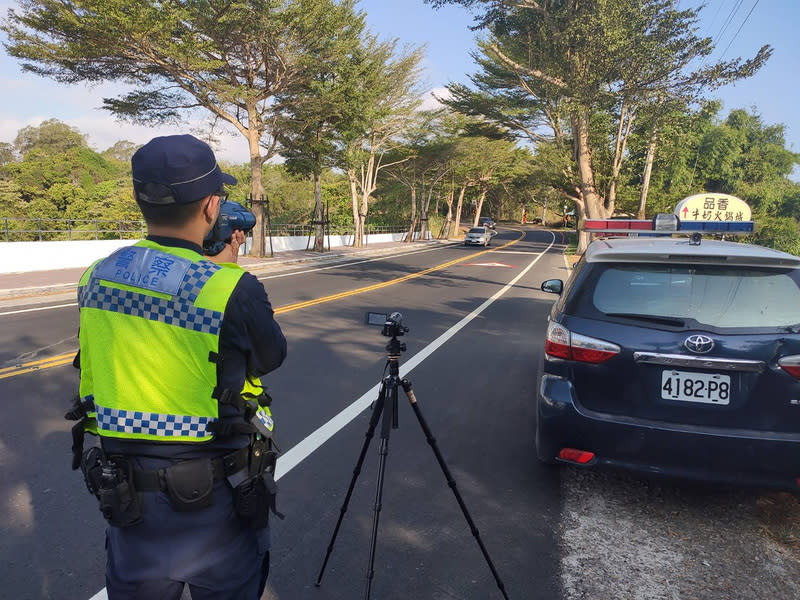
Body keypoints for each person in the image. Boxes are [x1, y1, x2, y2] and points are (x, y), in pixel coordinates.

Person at [66, 134, 287, 599]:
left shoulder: (96, 276)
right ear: (211, 207)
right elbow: (270, 358)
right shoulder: (229, 287)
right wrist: (227, 270)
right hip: (216, 505)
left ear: (139, 198)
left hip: (127, 498)